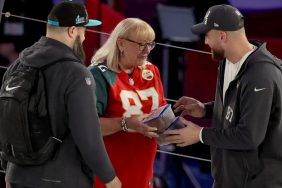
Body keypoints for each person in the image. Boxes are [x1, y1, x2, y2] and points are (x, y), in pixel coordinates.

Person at [2, 2, 121, 188]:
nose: (84, 37)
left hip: (18, 176)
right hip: (62, 179)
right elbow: (88, 135)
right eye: (84, 31)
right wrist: (110, 178)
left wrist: (9, 171)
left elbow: (7, 120)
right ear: (72, 31)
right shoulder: (76, 73)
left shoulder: (18, 64)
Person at [164, 4, 282, 188]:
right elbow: (237, 108)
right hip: (227, 178)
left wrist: (200, 134)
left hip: (256, 182)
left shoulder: (261, 75)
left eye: (207, 35)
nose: (205, 42)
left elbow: (249, 136)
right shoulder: (227, 62)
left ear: (222, 36)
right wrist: (205, 109)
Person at [88, 18, 167, 188]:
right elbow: (88, 126)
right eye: (140, 44)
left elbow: (161, 110)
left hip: (144, 172)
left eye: (150, 44)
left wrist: (170, 125)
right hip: (110, 175)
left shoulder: (151, 71)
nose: (146, 50)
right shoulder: (99, 75)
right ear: (121, 43)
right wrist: (126, 123)